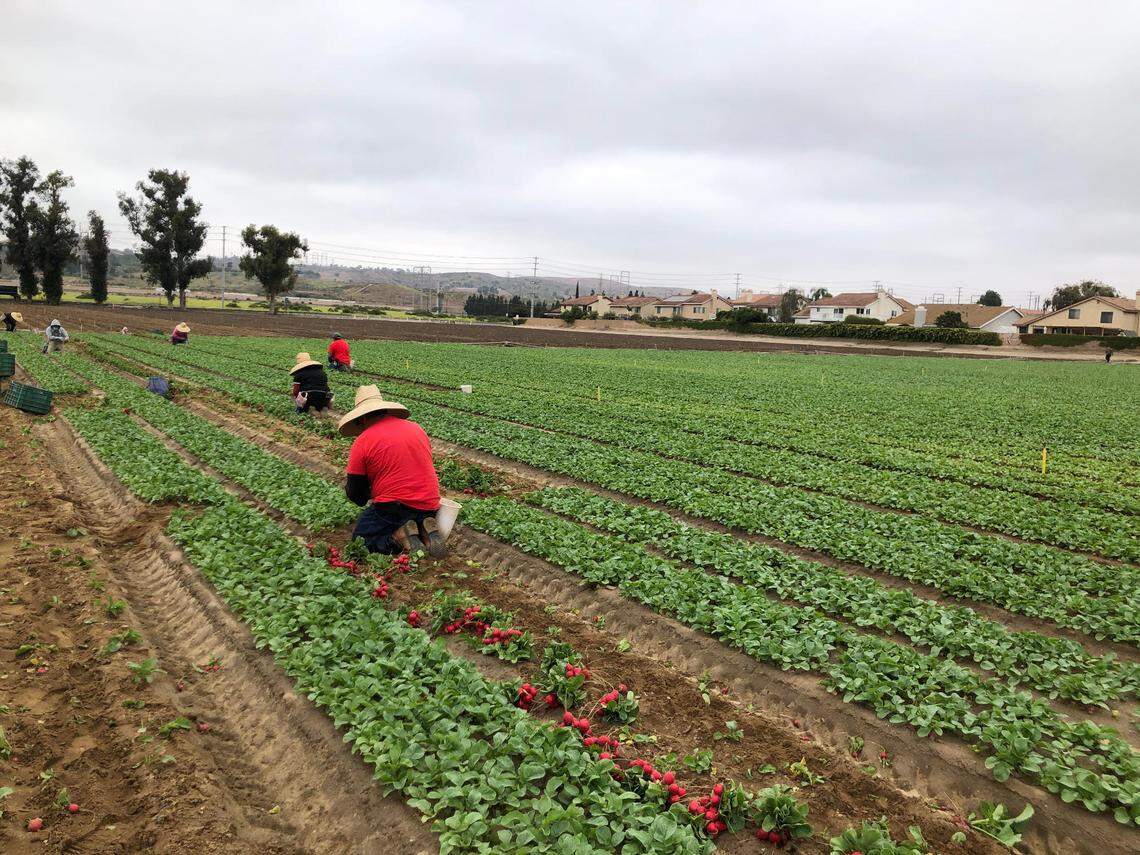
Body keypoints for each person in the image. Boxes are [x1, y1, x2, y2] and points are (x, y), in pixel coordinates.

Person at [339, 385, 442, 555]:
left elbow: (355, 494)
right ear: (385, 410)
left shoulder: (363, 441)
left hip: (395, 507)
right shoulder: (417, 429)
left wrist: (370, 492)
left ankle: (399, 537)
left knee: (361, 541)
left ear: (361, 419)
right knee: (413, 513)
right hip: (430, 503)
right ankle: (424, 529)